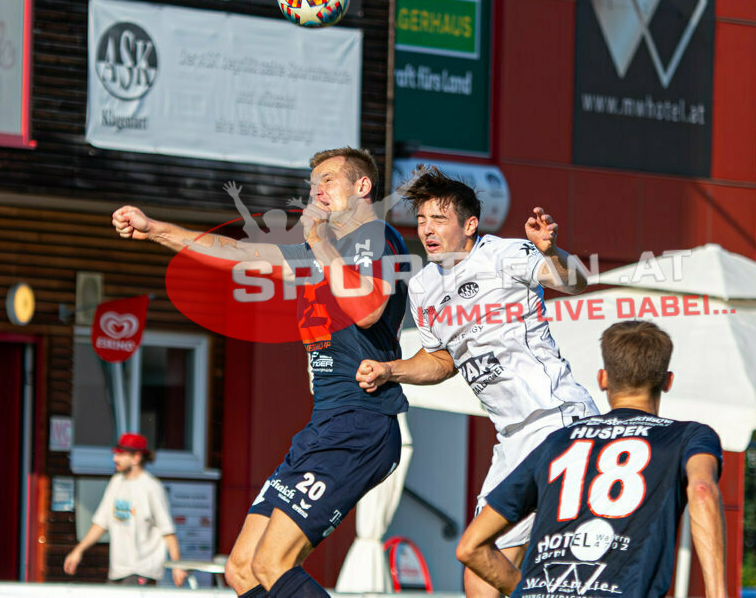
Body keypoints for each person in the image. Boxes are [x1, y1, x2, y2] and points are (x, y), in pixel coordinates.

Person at [111, 147, 410, 597]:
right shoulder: (317, 251)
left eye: (328, 180)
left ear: (362, 186)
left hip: (361, 421)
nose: (317, 191)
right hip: (324, 424)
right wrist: (156, 230)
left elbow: (367, 310)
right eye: (313, 185)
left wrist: (317, 240)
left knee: (272, 563)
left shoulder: (375, 236)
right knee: (242, 569)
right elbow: (234, 252)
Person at [355, 168, 599, 597]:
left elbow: (575, 282)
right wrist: (390, 369)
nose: (428, 230)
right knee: (480, 574)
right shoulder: (424, 287)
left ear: (470, 225)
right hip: (511, 439)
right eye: (423, 220)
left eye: (439, 220)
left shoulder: (503, 254)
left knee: (541, 558)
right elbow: (441, 361)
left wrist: (552, 250)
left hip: (557, 420)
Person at [456, 320, 728, 597]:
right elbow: (703, 491)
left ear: (603, 379)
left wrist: (523, 590)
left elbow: (470, 547)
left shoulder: (558, 441)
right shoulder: (689, 436)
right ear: (668, 381)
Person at [63, 433, 188, 586]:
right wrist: (78, 551)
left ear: (136, 458)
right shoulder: (116, 482)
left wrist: (177, 566)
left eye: (121, 455)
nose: (115, 459)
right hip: (117, 570)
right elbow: (100, 523)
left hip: (142, 569)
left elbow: (168, 531)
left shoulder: (151, 487)